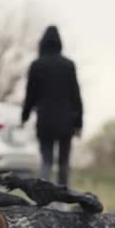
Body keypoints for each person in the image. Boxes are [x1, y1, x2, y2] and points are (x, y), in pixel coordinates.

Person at [22, 26, 83, 187]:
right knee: (64, 163)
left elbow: (30, 95)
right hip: (66, 121)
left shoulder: (36, 65)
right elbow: (75, 96)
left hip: (45, 121)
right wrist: (79, 123)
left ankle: (44, 199)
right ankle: (64, 200)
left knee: (46, 162)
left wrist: (25, 116)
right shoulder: (68, 65)